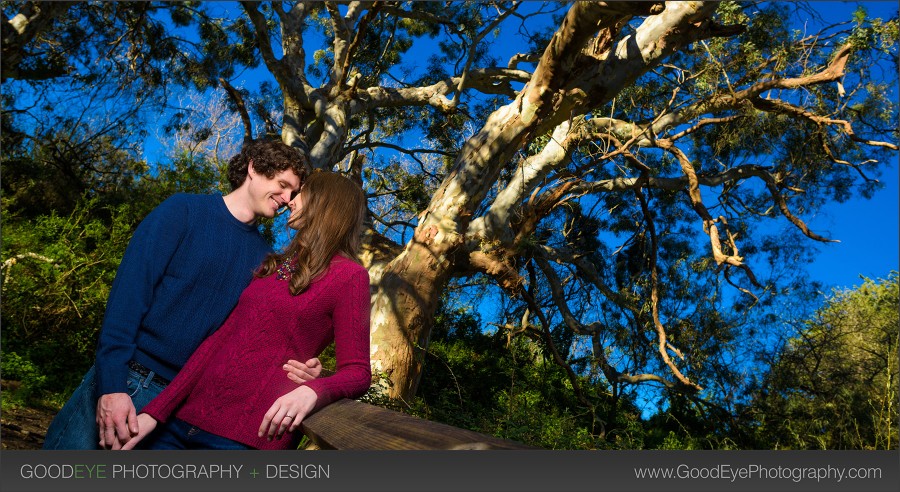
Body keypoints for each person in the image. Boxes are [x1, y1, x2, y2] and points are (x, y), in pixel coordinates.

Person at [43, 140, 322, 450]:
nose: (287, 199)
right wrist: (111, 386)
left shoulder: (264, 259)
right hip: (125, 380)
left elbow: (250, 339)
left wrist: (303, 368)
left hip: (176, 411)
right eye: (283, 186)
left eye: (293, 193)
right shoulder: (183, 211)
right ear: (254, 168)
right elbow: (128, 297)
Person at [119, 171, 371, 450]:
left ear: (325, 203)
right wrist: (155, 413)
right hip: (181, 423)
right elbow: (217, 343)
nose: (291, 201)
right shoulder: (272, 265)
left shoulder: (350, 277)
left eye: (302, 194)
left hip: (247, 439)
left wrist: (313, 390)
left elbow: (358, 372)